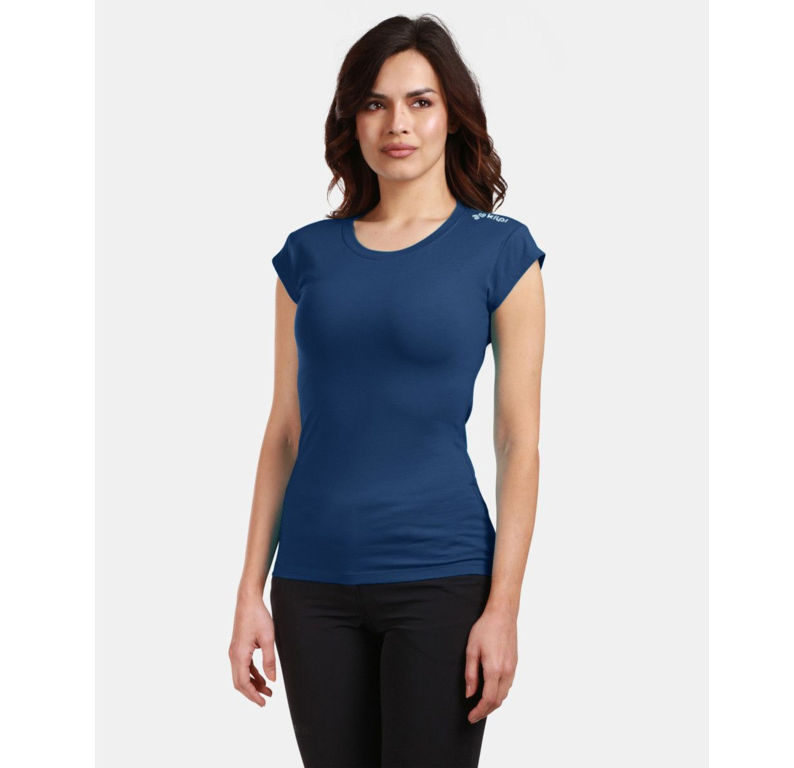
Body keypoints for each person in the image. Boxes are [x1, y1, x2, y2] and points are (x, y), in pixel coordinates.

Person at [229, 13, 546, 768]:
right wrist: (249, 591)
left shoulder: (501, 251)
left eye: (419, 102)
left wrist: (503, 607)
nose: (397, 123)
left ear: (451, 115)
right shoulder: (306, 257)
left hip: (442, 578)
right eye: (375, 103)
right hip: (311, 585)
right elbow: (284, 430)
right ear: (353, 120)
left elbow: (518, 441)